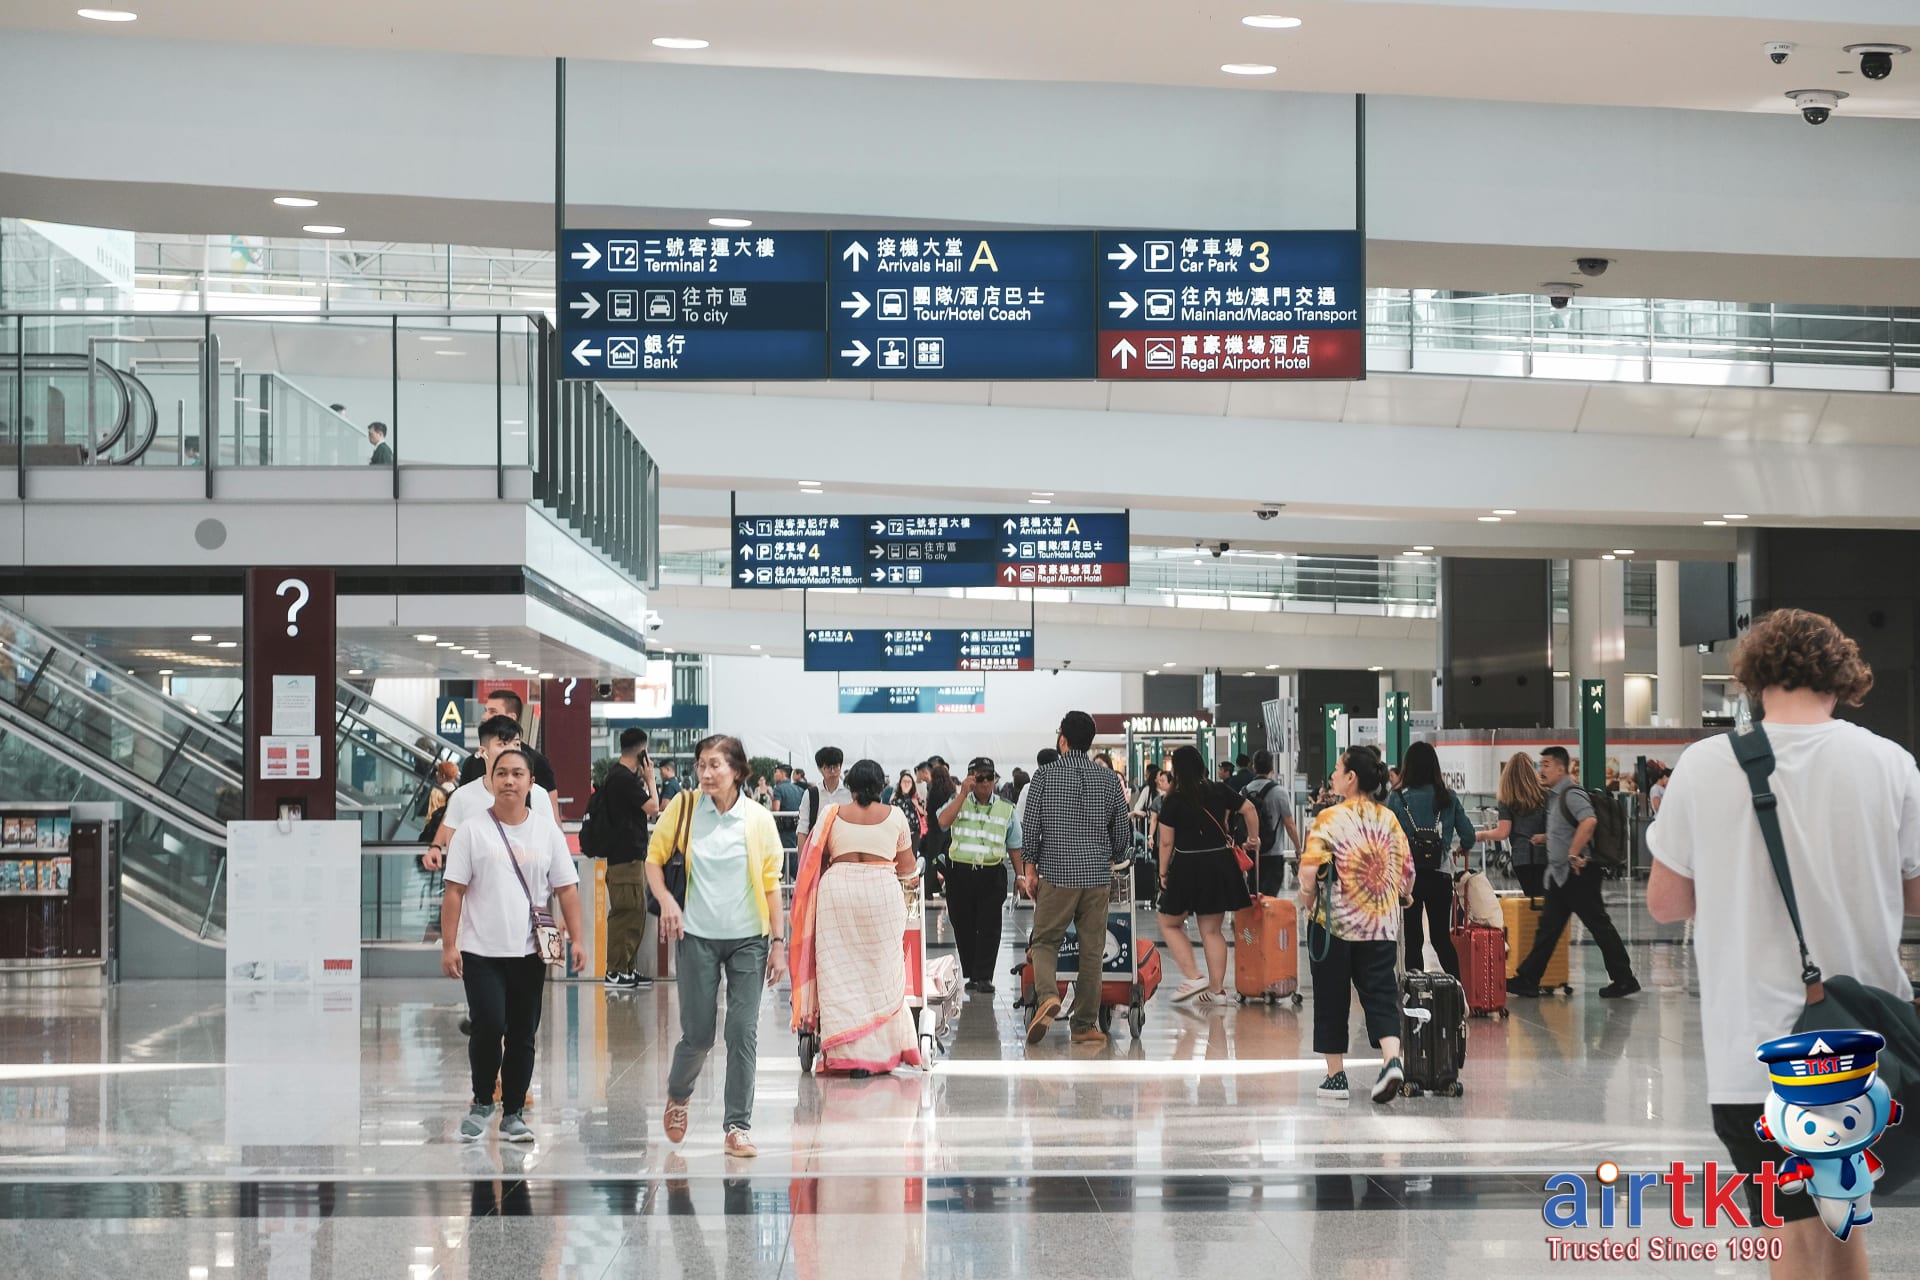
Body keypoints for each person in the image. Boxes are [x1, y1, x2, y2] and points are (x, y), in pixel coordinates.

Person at [1646, 609, 1920, 1277]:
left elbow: (1665, 903)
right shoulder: (1891, 764)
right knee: (1838, 1225)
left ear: (1753, 678)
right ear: (1843, 676)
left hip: (1754, 1054)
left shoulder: (1706, 766)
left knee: (1798, 1233)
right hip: (1865, 1051)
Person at [648, 735, 786, 1158]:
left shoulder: (758, 820)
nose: (705, 774)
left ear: (737, 772)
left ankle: (737, 1127)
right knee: (699, 1034)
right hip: (697, 937)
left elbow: (771, 885)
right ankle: (679, 1093)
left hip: (749, 939)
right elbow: (653, 860)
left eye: (714, 766)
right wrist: (668, 900)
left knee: (742, 1031)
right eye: (701, 766)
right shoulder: (684, 808)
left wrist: (778, 943)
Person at [440, 746, 586, 1143]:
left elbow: (567, 889)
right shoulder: (472, 829)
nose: (509, 781)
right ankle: (483, 1099)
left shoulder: (546, 831)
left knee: (523, 1031)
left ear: (531, 783)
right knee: (488, 1023)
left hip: (529, 950)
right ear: (492, 781)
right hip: (480, 949)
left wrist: (578, 938)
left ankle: (514, 1112)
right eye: (501, 773)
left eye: (517, 774)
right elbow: (454, 892)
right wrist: (449, 945)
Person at [1299, 745, 1415, 1104]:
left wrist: (1308, 902)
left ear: (1351, 778)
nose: (1332, 775)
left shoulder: (1329, 818)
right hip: (1380, 924)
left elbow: (1307, 875)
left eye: (1337, 769)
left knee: (1332, 999)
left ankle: (1336, 1079)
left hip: (1335, 925)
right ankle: (1391, 1059)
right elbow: (1408, 873)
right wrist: (1402, 896)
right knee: (1381, 993)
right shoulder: (1389, 819)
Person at [1019, 711, 1133, 1047]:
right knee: (1093, 950)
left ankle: (1048, 997)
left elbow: (1031, 828)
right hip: (1097, 877)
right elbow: (1123, 835)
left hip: (1056, 873)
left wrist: (1030, 868)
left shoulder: (1043, 777)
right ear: (1090, 742)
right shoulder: (1110, 780)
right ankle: (1084, 1025)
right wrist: (1109, 854)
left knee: (1044, 941)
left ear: (1062, 739)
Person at [802, 758, 922, 1075]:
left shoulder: (831, 814)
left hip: (837, 894)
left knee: (839, 975)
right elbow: (908, 867)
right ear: (881, 787)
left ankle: (844, 1051)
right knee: (881, 969)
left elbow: (819, 859)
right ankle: (877, 1053)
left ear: (851, 787)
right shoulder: (895, 815)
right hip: (881, 893)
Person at [1507, 746, 1640, 999]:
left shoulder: (1571, 793)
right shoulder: (1555, 797)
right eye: (1540, 764)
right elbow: (1569, 828)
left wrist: (1572, 853)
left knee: (1599, 925)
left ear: (1560, 767)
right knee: (1549, 929)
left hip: (1579, 874)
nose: (1541, 770)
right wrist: (1547, 838)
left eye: (1546, 765)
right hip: (1561, 876)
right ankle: (1528, 979)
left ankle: (1624, 979)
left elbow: (1589, 821)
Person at [1154, 744, 1258, 1004]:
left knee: (1169, 922)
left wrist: (1162, 871)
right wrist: (1253, 838)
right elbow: (1249, 809)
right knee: (1212, 931)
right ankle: (1216, 991)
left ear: (1176, 770)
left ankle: (1193, 975)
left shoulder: (1173, 799)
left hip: (1187, 865)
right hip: (1219, 863)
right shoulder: (1218, 789)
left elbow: (1166, 842)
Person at [1387, 741, 1476, 978]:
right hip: (1440, 874)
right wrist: (1462, 847)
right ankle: (1459, 994)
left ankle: (1414, 994)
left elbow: (1387, 837)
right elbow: (1469, 834)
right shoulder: (1448, 797)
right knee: (1440, 938)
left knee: (1413, 939)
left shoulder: (1397, 799)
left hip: (1408, 879)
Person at [935, 757, 1024, 994]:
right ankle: (972, 973)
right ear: (970, 778)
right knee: (962, 925)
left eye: (990, 777)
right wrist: (962, 794)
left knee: (989, 926)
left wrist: (1021, 876)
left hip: (991, 873)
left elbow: (1015, 844)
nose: (986, 783)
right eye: (980, 778)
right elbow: (942, 822)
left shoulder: (1006, 807)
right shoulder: (957, 801)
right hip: (960, 874)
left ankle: (983, 976)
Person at [425, 715, 559, 871]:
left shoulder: (538, 795)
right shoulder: (462, 797)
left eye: (516, 744)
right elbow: (456, 862)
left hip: (527, 891)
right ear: (483, 752)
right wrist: (436, 846)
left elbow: (552, 847)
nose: (512, 751)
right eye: (502, 744)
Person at [600, 728, 661, 991]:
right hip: (624, 859)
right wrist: (650, 778)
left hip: (629, 857)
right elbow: (653, 808)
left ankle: (626, 968)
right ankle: (615, 971)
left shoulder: (618, 777)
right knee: (626, 914)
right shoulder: (623, 779)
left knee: (635, 913)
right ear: (641, 751)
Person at [1475, 752, 1550, 899]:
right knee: (1546, 901)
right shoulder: (1545, 795)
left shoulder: (1507, 798)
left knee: (1532, 899)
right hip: (1545, 856)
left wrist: (1481, 835)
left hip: (1521, 859)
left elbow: (1503, 832)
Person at [458, 690, 557, 793]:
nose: (485, 716)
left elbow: (551, 804)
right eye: (485, 710)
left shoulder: (536, 762)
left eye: (493, 712)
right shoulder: (472, 763)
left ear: (511, 717)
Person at [1243, 749, 1304, 896]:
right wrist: (1298, 848)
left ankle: (1255, 920)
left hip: (1252, 853)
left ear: (1254, 767)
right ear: (1272, 768)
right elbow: (1289, 824)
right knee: (1271, 899)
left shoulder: (1244, 792)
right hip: (1273, 853)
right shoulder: (1279, 792)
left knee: (1254, 896)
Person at [795, 746, 851, 845]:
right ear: (820, 769)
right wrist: (802, 860)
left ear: (841, 766)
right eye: (828, 767)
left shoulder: (850, 793)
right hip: (818, 849)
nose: (833, 771)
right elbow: (802, 830)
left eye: (836, 767)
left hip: (844, 846)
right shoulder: (811, 794)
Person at [919, 760, 957, 897]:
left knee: (932, 860)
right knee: (949, 859)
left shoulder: (934, 792)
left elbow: (930, 811)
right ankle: (950, 887)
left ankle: (929, 889)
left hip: (935, 832)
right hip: (949, 831)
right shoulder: (952, 791)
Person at [1013, 748, 1057, 833]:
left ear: (1038, 765)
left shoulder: (1028, 788)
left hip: (1036, 840)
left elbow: (1020, 819)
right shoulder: (1068, 786)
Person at [420, 759, 460, 844]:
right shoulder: (457, 792)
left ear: (443, 776)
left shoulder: (436, 792)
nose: (436, 774)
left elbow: (431, 815)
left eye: (438, 772)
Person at [891, 770, 925, 856]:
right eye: (904, 781)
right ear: (900, 783)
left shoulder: (916, 797)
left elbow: (924, 813)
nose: (906, 784)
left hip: (914, 832)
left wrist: (916, 804)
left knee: (912, 856)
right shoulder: (895, 798)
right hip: (899, 833)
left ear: (912, 784)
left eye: (909, 781)